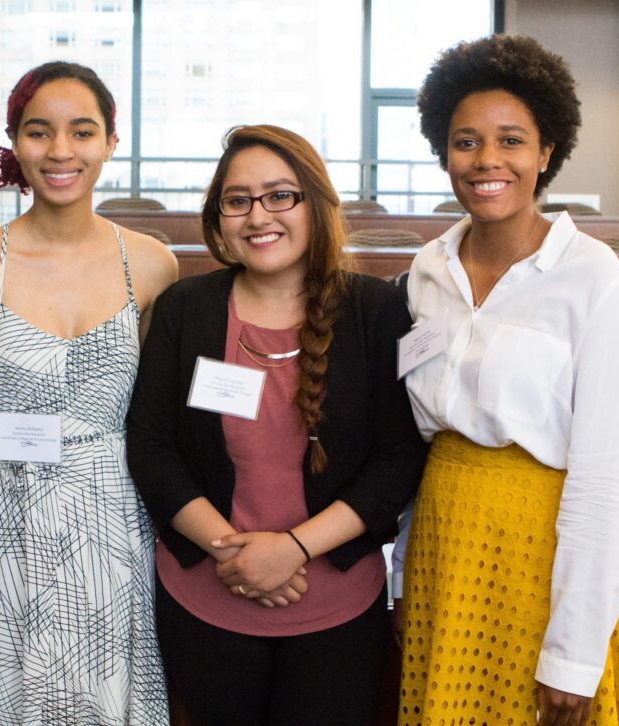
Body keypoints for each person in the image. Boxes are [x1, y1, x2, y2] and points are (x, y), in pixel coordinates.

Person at [126, 124, 427, 725]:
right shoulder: (187, 308)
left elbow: (398, 458)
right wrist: (236, 555)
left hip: (338, 604)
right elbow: (151, 445)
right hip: (206, 596)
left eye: (279, 195)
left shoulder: (376, 310)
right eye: (238, 200)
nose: (258, 215)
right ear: (219, 217)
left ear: (315, 202)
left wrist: (290, 550)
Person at [393, 34, 619, 725]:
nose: (487, 161)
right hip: (444, 554)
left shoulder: (594, 281)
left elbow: (606, 480)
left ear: (546, 152)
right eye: (466, 142)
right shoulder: (428, 272)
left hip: (539, 560)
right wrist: (403, 577)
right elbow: (420, 444)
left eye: (510, 141)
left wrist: (573, 652)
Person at [0, 61, 178, 726]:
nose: (61, 151)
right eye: (39, 133)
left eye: (82, 132)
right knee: (7, 693)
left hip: (114, 519)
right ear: (15, 143)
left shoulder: (152, 264)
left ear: (110, 142)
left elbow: (152, 420)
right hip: (4, 517)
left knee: (101, 696)